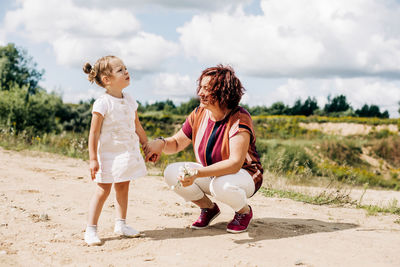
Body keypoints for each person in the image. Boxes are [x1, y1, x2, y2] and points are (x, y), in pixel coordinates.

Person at [145, 65, 263, 233]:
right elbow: (177, 143)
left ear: (223, 91)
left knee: (220, 185)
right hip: (212, 174)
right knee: (172, 172)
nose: (200, 92)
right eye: (200, 87)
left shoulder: (239, 117)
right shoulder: (198, 113)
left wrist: (198, 174)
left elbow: (235, 163)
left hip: (246, 175)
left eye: (206, 89)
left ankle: (244, 212)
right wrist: (161, 143)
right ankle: (208, 208)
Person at [82, 55, 148, 245]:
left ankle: (121, 224)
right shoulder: (102, 103)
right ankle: (91, 229)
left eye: (125, 68)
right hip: (107, 155)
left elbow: (137, 126)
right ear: (106, 80)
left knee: (123, 187)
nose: (126, 71)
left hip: (126, 152)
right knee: (103, 190)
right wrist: (93, 159)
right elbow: (93, 134)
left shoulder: (129, 99)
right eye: (120, 70)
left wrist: (146, 145)